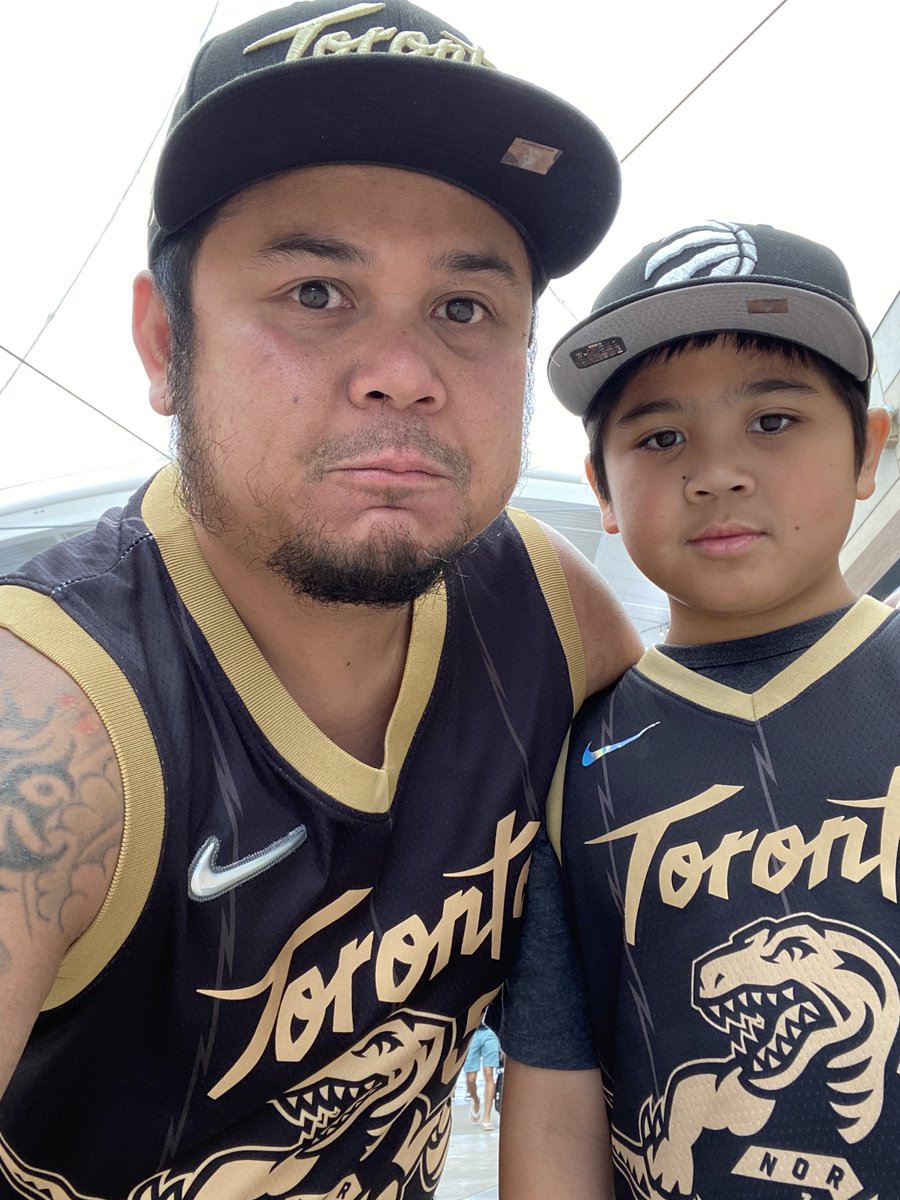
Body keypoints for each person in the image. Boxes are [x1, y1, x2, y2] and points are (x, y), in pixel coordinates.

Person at [0, 3, 642, 1196]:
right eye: (313, 292)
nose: (404, 371)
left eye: (464, 309)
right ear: (162, 342)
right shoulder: (53, 723)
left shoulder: (548, 614)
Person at [497, 219, 898, 1199]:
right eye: (661, 434)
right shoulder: (573, 758)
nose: (716, 471)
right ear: (602, 487)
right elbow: (554, 1098)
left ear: (869, 453)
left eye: (774, 420)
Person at [464, 1010, 503, 1130]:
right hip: (472, 1032)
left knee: (489, 1073)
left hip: (490, 1031)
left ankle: (487, 1117)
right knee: (471, 1079)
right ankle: (476, 1100)